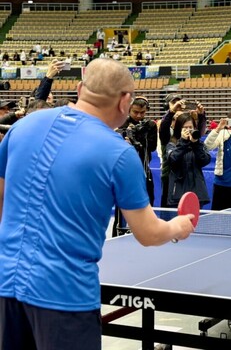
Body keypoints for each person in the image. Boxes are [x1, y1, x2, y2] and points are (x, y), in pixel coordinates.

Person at [0, 58, 194, 350]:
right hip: (65, 295)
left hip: (6, 285)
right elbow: (148, 233)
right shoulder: (119, 153)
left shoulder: (24, 126)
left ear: (80, 88)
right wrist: (177, 227)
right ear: (124, 101)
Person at [113, 96, 158, 235]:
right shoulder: (121, 124)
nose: (139, 115)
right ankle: (118, 235)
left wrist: (137, 137)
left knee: (147, 205)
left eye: (142, 112)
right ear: (129, 110)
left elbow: (152, 147)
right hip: (125, 174)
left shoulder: (150, 125)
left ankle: (146, 233)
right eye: (135, 112)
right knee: (122, 210)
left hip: (144, 171)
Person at [165, 113, 211, 208]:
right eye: (185, 127)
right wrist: (183, 142)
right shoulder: (172, 144)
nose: (188, 130)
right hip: (178, 193)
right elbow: (173, 160)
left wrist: (196, 144)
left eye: (191, 127)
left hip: (197, 193)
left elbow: (205, 160)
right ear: (179, 129)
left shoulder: (199, 144)